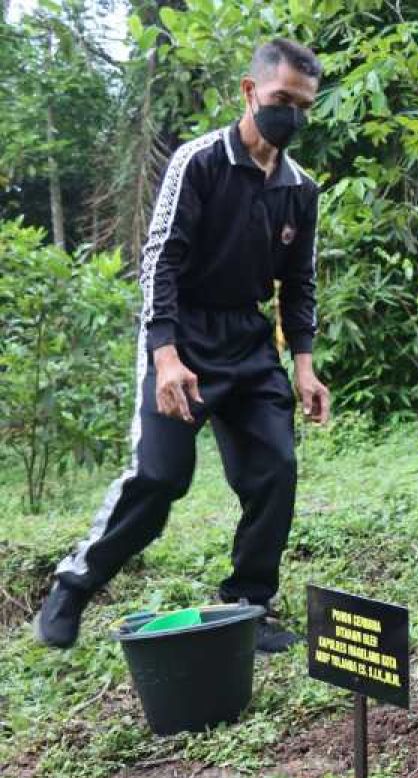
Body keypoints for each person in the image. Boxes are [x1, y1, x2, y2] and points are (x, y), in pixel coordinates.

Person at [34, 38, 331, 653]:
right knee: (162, 476)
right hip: (185, 336)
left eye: (304, 106)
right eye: (282, 100)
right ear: (250, 92)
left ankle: (249, 604)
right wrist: (164, 355)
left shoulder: (300, 189)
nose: (292, 116)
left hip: (249, 343)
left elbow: (298, 284)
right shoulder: (198, 162)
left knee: (275, 468)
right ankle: (72, 585)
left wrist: (304, 366)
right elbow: (159, 261)